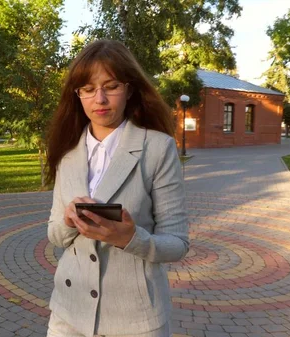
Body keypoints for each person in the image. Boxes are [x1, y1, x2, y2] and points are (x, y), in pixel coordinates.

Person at [45, 39, 189, 337]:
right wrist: (69, 220)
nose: (99, 99)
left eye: (110, 86)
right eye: (87, 89)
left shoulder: (157, 148)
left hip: (134, 319)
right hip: (68, 314)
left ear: (130, 90)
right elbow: (56, 237)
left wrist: (130, 238)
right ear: (78, 95)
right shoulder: (67, 153)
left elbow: (177, 243)